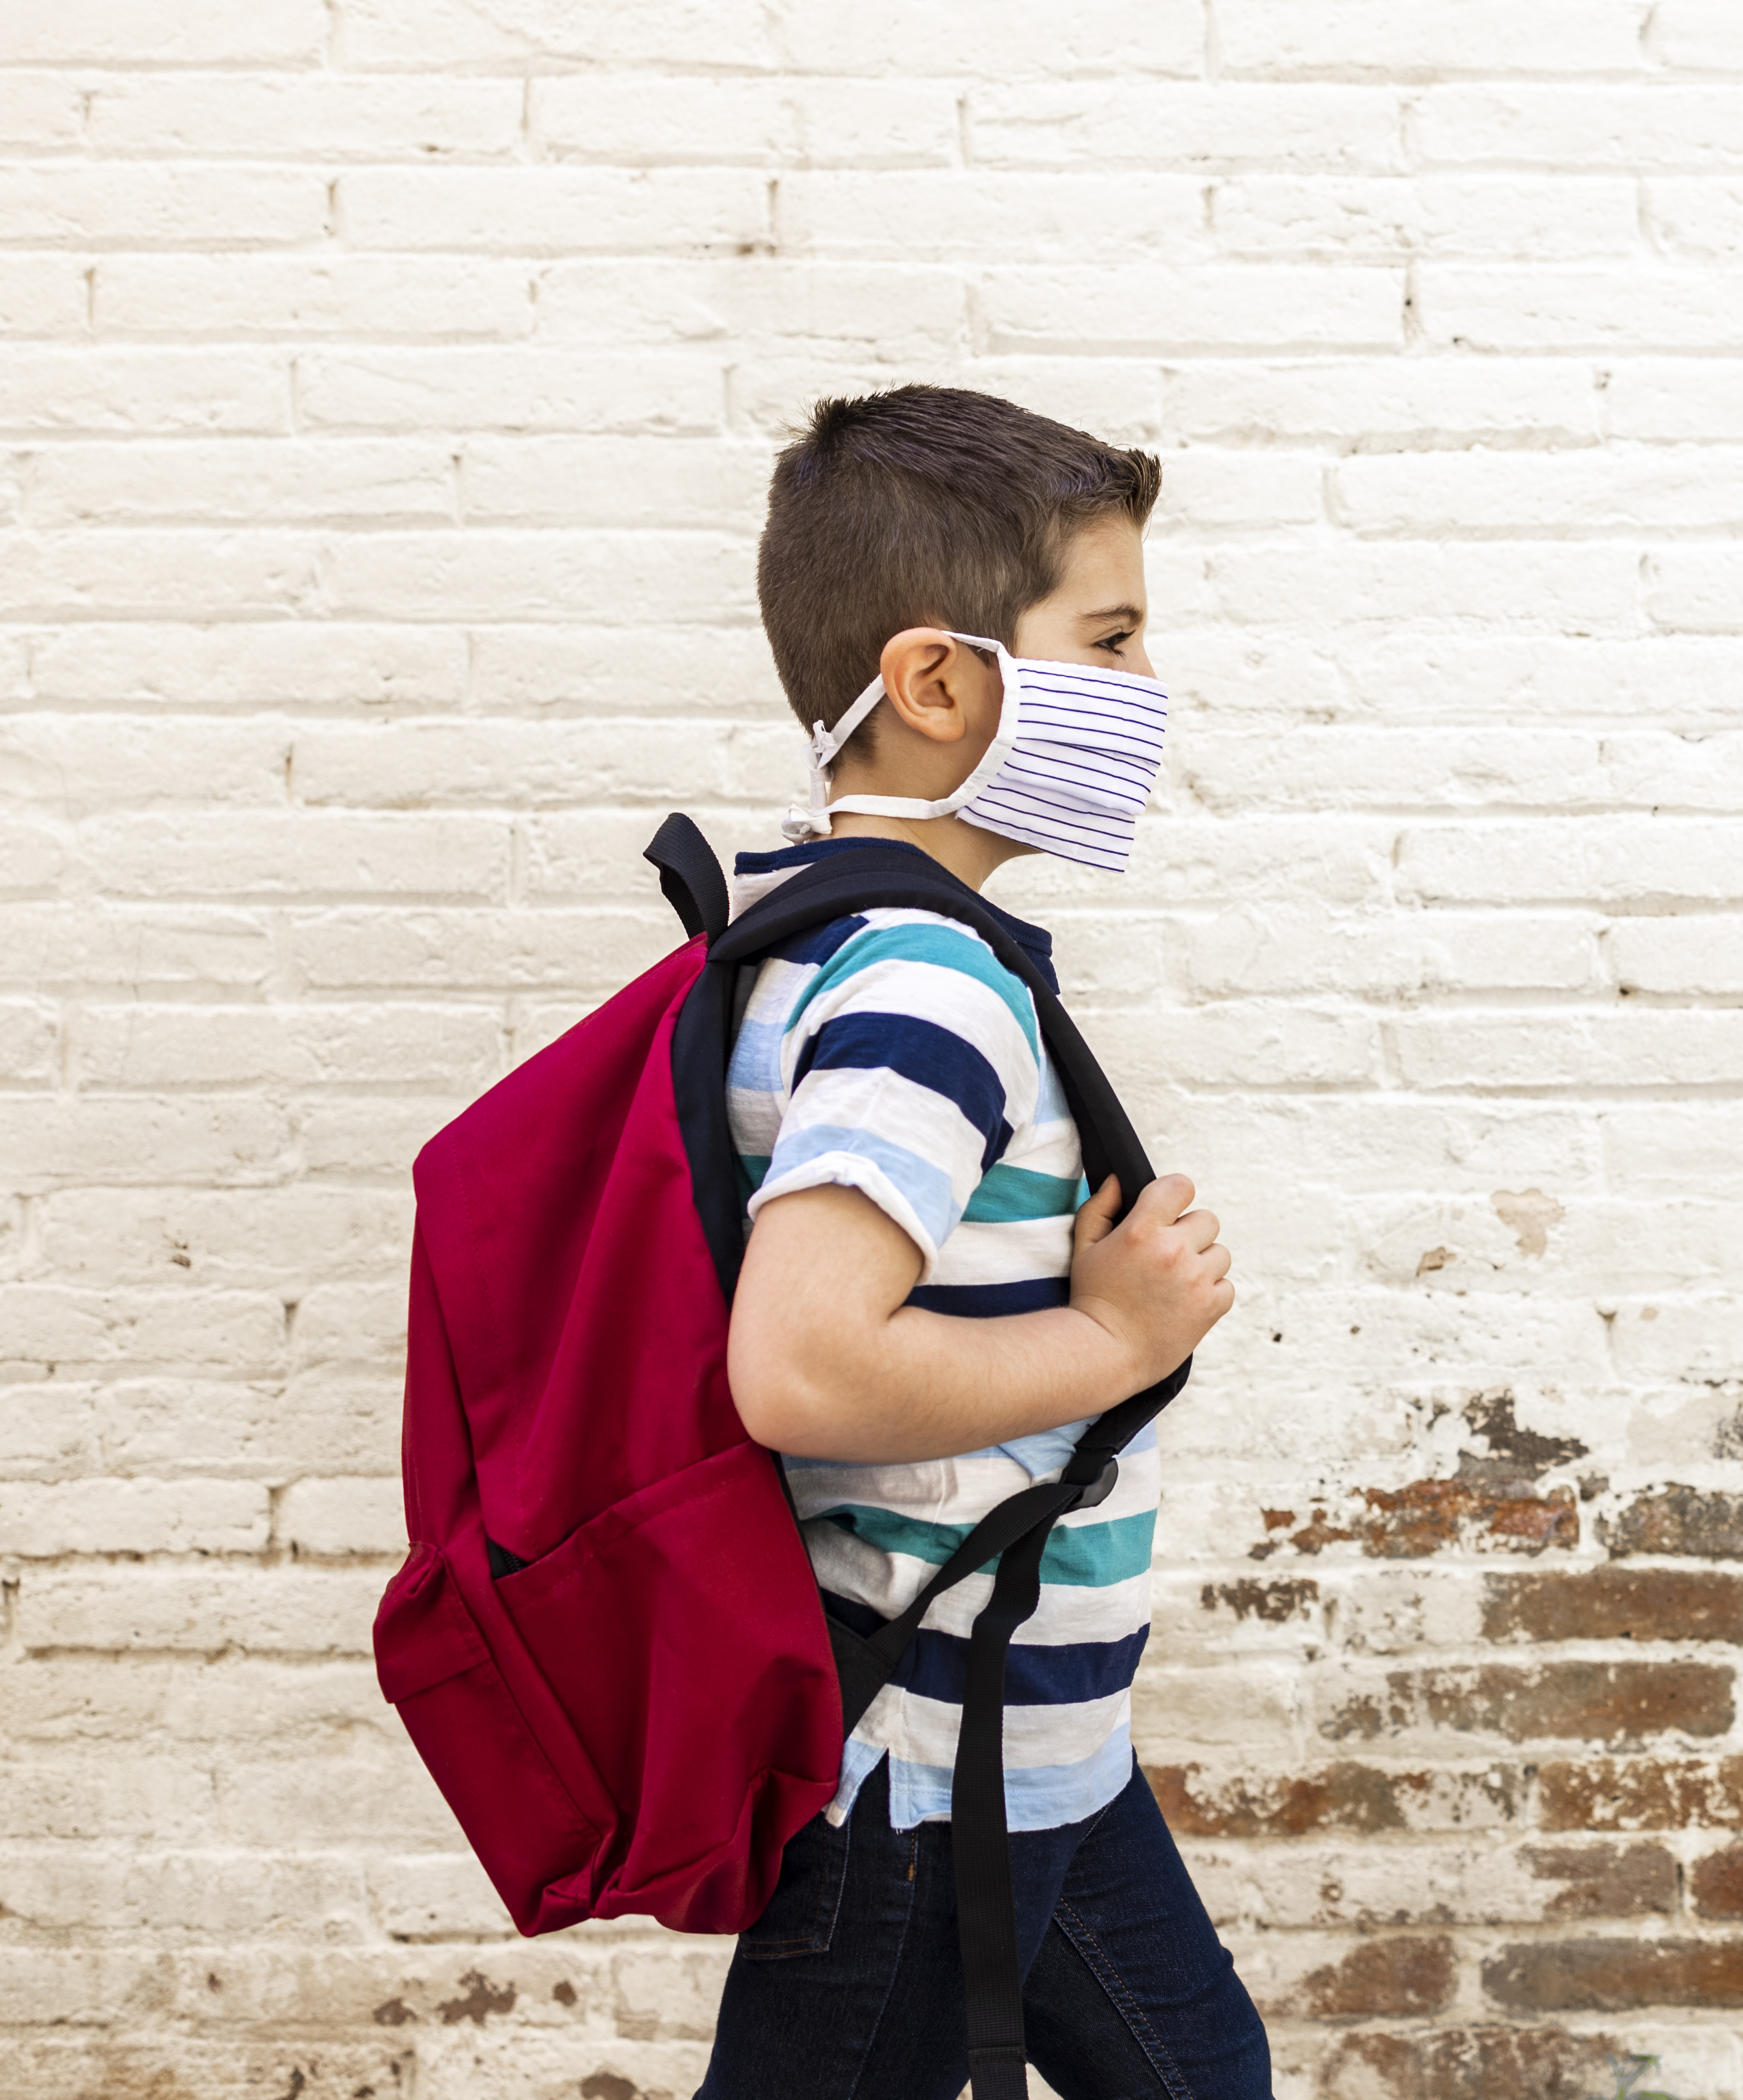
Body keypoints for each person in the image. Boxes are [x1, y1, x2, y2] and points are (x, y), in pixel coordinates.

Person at [694, 385, 1269, 2100]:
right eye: (1109, 638)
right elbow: (798, 1363)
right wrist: (1116, 1337)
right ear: (940, 682)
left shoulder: (851, 939)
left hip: (1033, 1734)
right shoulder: (924, 987)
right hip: (922, 1764)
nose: (1146, 693)